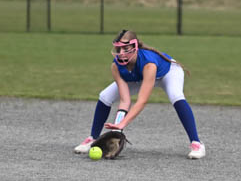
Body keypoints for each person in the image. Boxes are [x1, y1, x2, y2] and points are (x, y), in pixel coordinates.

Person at [74, 29, 205, 159]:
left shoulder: (149, 64)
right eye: (119, 49)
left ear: (135, 47)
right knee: (105, 96)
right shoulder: (116, 66)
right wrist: (117, 128)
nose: (121, 53)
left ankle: (196, 143)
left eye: (126, 49)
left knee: (176, 96)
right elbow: (125, 100)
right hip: (140, 76)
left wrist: (123, 124)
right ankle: (93, 138)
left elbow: (142, 100)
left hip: (168, 73)